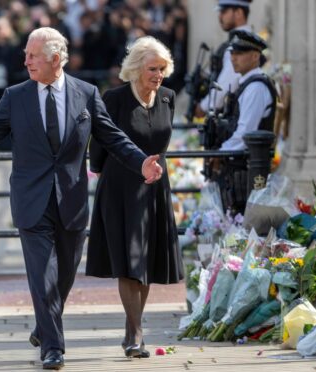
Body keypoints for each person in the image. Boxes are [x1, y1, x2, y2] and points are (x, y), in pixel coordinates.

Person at [0, 27, 163, 370]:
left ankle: (44, 326)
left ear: (55, 59)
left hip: (71, 201)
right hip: (31, 201)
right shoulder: (15, 96)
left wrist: (140, 161)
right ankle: (53, 348)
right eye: (26, 54)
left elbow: (113, 138)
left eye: (33, 55)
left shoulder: (86, 94)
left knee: (64, 277)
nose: (25, 60)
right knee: (42, 275)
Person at [86, 36, 184, 359]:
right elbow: (99, 142)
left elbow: (164, 142)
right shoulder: (113, 99)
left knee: (146, 260)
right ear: (136, 68)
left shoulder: (168, 98)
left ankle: (132, 330)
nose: (158, 74)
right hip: (120, 187)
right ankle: (136, 332)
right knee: (129, 260)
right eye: (152, 68)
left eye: (162, 68)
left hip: (154, 186)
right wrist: (98, 169)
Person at [211, 29, 277, 213]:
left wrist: (218, 154)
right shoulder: (247, 83)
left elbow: (245, 134)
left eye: (239, 53)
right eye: (232, 53)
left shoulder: (255, 87)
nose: (233, 57)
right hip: (239, 167)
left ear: (255, 56)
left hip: (246, 170)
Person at [195, 0, 253, 118]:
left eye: (224, 11)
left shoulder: (240, 44)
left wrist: (203, 107)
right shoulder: (238, 41)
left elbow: (225, 85)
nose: (220, 16)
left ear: (238, 13)